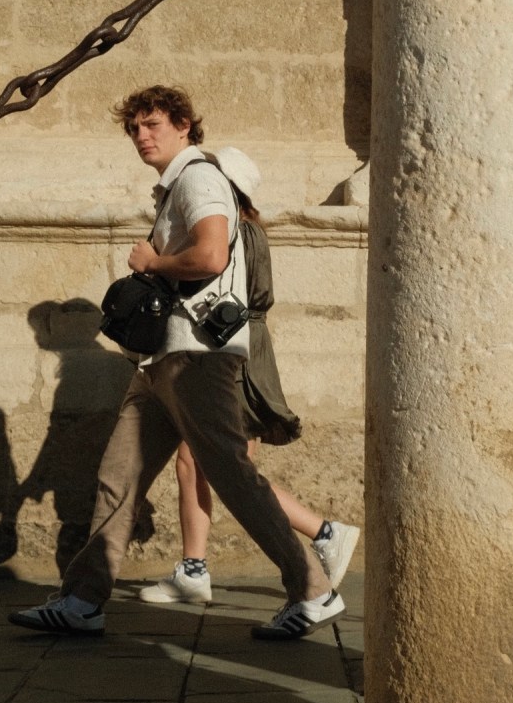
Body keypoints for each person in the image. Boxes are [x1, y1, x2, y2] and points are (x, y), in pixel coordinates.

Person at [10, 85, 347, 640]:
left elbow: (211, 255)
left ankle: (312, 590)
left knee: (232, 475)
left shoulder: (197, 179)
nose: (141, 136)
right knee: (119, 477)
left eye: (153, 125)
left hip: (197, 358)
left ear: (184, 125)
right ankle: (83, 600)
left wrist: (153, 262)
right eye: (134, 129)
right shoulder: (176, 186)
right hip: (160, 359)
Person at [138, 146, 359, 606]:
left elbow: (236, 295)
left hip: (230, 351)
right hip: (240, 349)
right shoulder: (245, 231)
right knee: (204, 463)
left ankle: (321, 534)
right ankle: (195, 566)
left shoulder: (239, 235)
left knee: (218, 465)